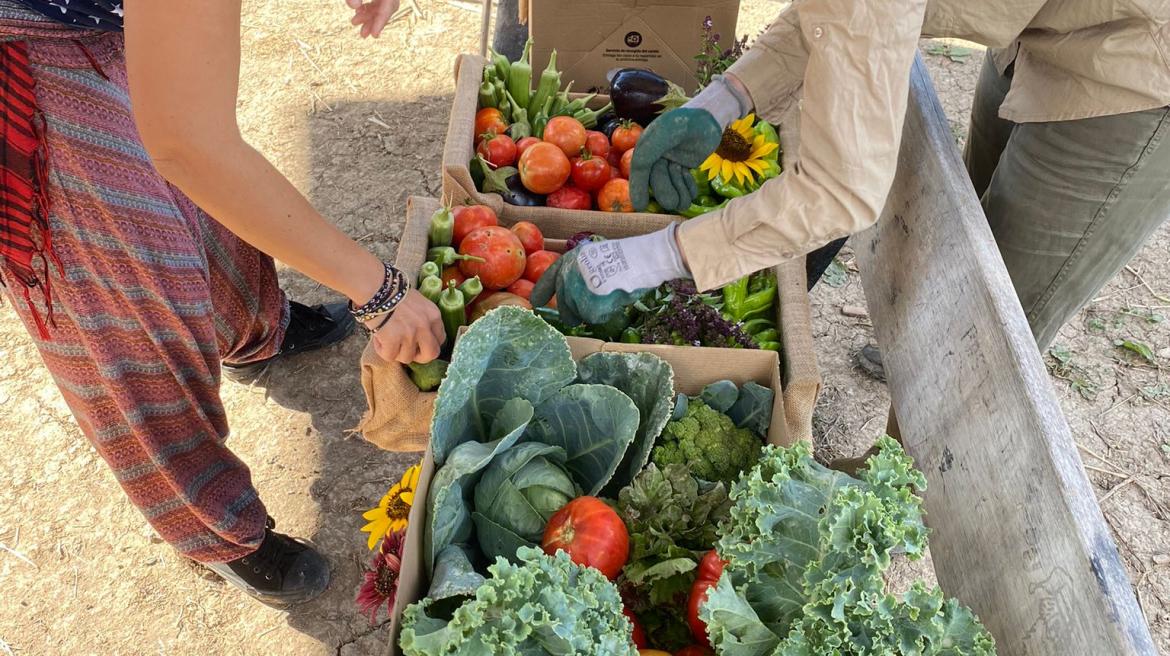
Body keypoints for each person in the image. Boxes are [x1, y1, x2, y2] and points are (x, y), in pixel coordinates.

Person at [0, 0, 443, 605]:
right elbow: (188, 147)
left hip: (95, 15)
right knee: (123, 294)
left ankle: (252, 331)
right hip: (22, 50)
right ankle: (215, 529)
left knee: (203, 206)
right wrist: (379, 291)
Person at [534, 0, 1170, 365]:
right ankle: (910, 370)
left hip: (1134, 60)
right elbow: (830, 16)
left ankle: (904, 485)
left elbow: (844, 189)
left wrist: (649, 256)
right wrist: (725, 100)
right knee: (957, 249)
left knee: (988, 339)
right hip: (1039, 22)